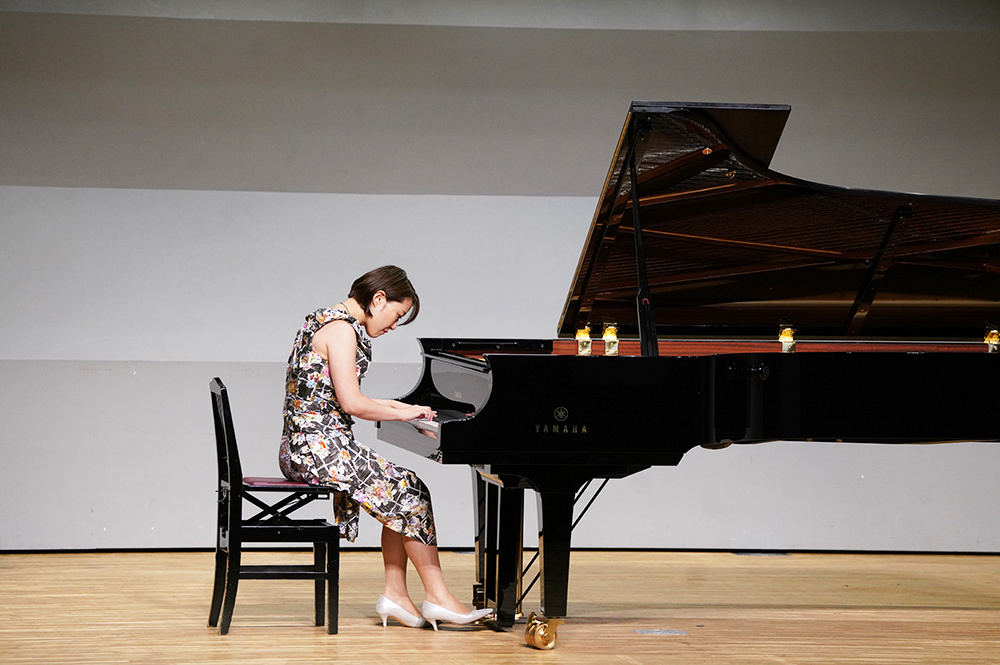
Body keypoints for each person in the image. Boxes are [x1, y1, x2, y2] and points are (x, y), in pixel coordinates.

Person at [278, 265, 493, 630]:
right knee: (411, 493)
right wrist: (402, 414)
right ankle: (438, 598)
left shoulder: (323, 320)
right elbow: (353, 404)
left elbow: (339, 396)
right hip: (316, 449)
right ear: (378, 299)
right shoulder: (342, 331)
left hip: (304, 446)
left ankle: (396, 596)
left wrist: (404, 409)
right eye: (397, 314)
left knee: (402, 490)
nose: (394, 325)